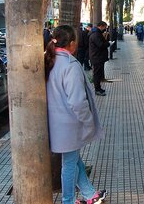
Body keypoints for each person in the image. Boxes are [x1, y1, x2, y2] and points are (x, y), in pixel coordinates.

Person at [44, 25, 107, 204]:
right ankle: (68, 201)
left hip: (56, 123)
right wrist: (89, 121)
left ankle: (89, 194)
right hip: (69, 124)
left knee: (73, 159)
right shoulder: (70, 65)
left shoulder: (49, 60)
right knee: (70, 164)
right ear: (71, 44)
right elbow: (78, 101)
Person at [89, 21, 111, 96]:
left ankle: (98, 88)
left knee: (98, 73)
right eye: (105, 27)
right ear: (101, 26)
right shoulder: (96, 34)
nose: (105, 28)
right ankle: (97, 89)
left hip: (98, 56)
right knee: (97, 74)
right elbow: (100, 45)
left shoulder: (96, 33)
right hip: (97, 57)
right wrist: (108, 43)